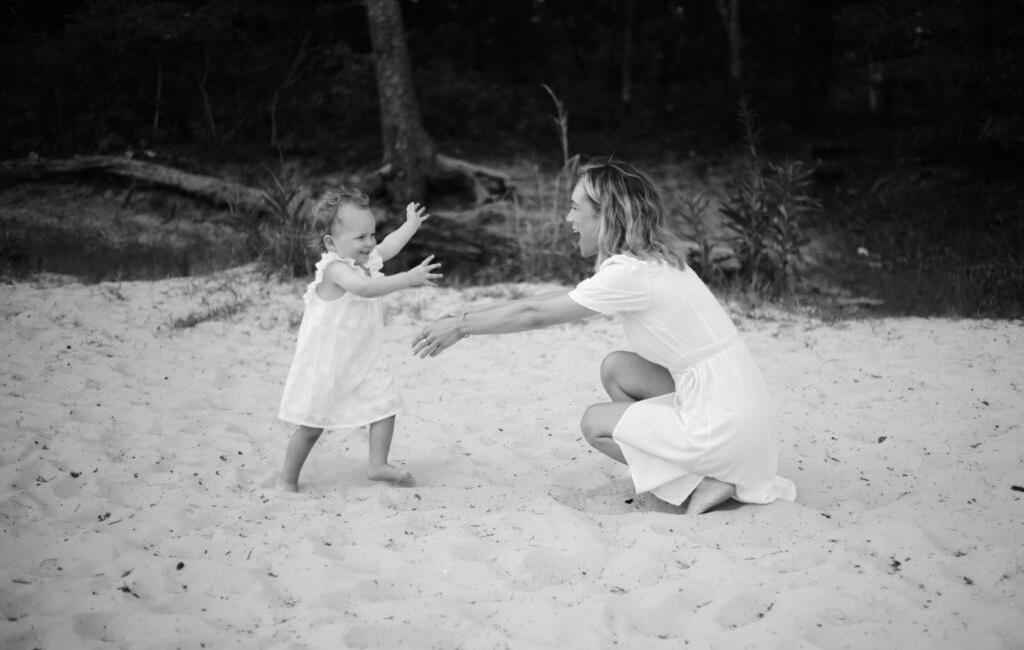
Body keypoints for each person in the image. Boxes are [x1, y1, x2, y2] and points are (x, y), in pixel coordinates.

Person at [413, 160, 796, 515]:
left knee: (594, 422)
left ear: (606, 215)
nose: (568, 217)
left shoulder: (630, 274)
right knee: (618, 369)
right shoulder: (650, 261)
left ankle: (703, 479)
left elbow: (536, 315)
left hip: (724, 420)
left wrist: (462, 327)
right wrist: (466, 317)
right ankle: (686, 465)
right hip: (736, 405)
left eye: (576, 207)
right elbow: (549, 300)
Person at [277, 188, 441, 492]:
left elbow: (390, 244)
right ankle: (287, 479)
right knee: (312, 425)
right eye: (360, 237)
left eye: (371, 235)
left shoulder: (367, 258)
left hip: (361, 357)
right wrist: (406, 279)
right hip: (328, 362)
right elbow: (363, 289)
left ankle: (378, 464)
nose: (370, 243)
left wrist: (410, 225)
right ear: (331, 243)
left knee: (385, 405)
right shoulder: (336, 269)